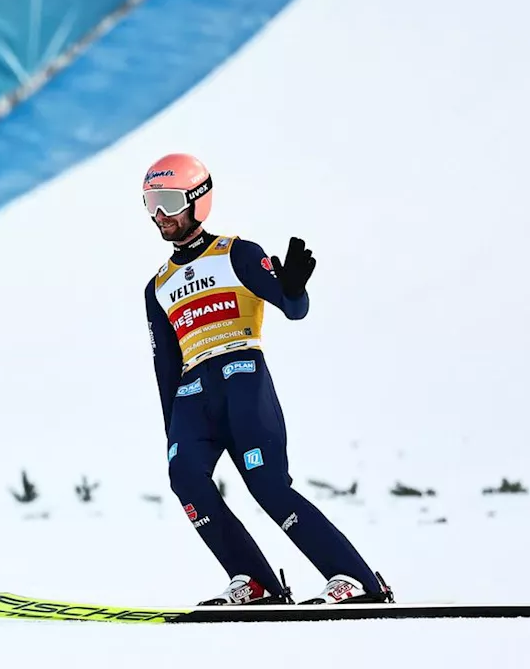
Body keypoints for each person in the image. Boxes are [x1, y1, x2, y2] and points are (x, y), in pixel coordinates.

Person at [141, 152, 393, 606]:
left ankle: (356, 580)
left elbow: (294, 310)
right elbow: (165, 367)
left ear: (198, 200)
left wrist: (294, 288)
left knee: (269, 487)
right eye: (150, 203)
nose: (160, 214)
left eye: (169, 200)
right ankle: (254, 582)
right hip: (192, 396)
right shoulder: (157, 285)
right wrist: (171, 431)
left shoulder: (237, 253)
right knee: (185, 477)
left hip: (242, 380)